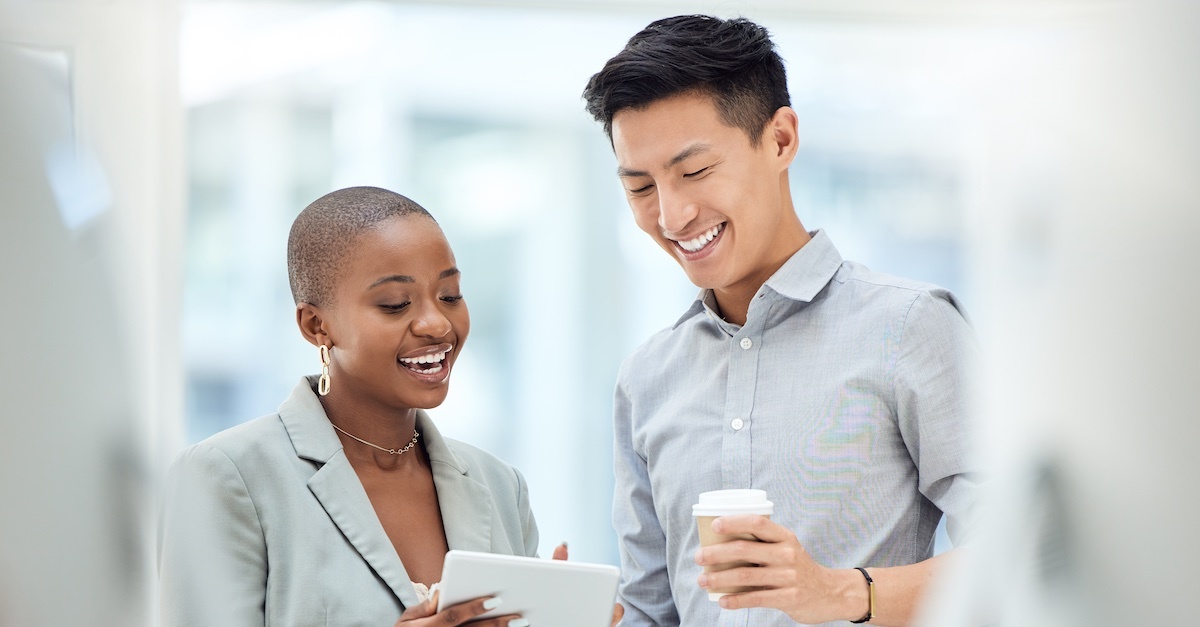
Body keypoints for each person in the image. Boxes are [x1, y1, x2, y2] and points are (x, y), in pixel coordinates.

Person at [582, 15, 983, 626]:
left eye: (693, 172)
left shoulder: (910, 327)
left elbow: (1019, 553)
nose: (672, 214)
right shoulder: (647, 377)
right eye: (641, 187)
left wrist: (839, 593)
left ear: (780, 140)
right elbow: (649, 611)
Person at [159, 187, 538, 626]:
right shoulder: (226, 476)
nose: (437, 323)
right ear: (317, 325)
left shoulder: (501, 485)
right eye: (395, 304)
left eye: (450, 295)